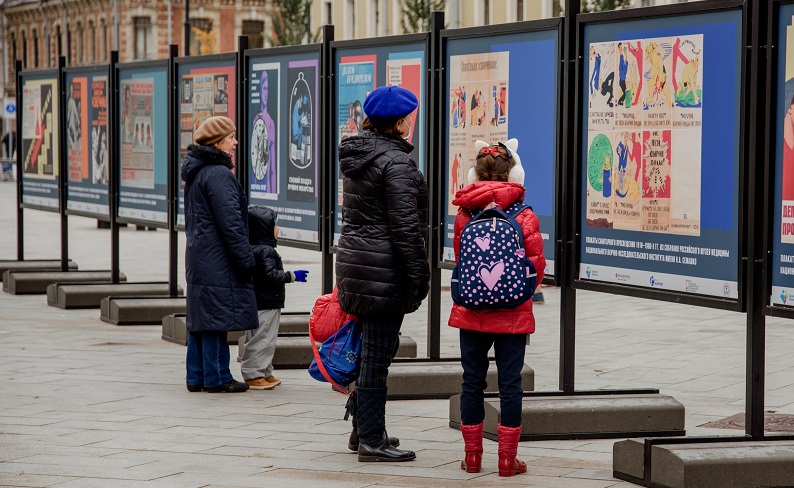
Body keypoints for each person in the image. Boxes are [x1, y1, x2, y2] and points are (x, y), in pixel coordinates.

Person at [336, 85, 430, 462]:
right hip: (382, 271)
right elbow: (406, 230)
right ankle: (372, 440)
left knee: (372, 353)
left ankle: (364, 431)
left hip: (357, 266)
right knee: (377, 357)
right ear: (400, 122)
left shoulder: (361, 155)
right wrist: (420, 279)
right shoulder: (397, 164)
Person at [449, 140, 545, 477]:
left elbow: (463, 261)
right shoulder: (525, 214)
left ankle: (472, 457)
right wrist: (516, 294)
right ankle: (507, 460)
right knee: (510, 385)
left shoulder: (465, 213)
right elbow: (536, 266)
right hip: (513, 315)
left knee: (472, 382)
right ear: (514, 174)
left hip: (471, 313)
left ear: (475, 173)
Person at [181, 116, 257, 394]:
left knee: (201, 319)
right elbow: (231, 224)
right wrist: (246, 259)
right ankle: (217, 377)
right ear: (217, 142)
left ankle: (196, 376)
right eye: (231, 137)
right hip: (217, 258)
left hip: (199, 255)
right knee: (215, 318)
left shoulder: (198, 171)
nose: (235, 142)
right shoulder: (219, 174)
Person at [241, 205, 309, 390]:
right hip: (267, 301)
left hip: (263, 301)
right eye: (275, 225)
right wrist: (292, 276)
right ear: (264, 228)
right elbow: (270, 275)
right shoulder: (265, 251)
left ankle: (265, 371)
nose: (278, 229)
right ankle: (253, 373)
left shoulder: (254, 248)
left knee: (265, 338)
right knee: (262, 338)